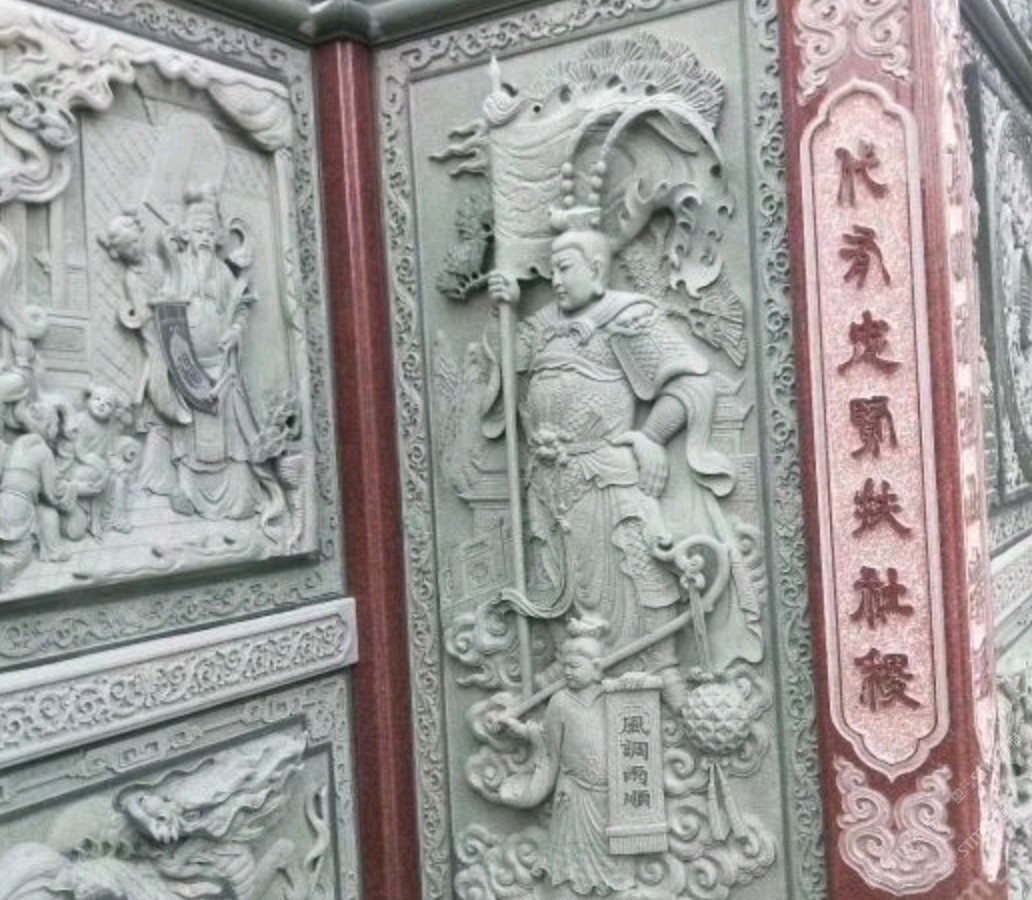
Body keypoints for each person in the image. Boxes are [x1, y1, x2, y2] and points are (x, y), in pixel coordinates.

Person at [487, 227, 760, 711]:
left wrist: (651, 436)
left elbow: (691, 382)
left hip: (605, 470)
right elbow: (505, 383)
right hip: (549, 479)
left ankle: (663, 667)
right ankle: (574, 662)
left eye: (565, 267)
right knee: (559, 574)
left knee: (637, 566)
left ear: (596, 268)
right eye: (551, 270)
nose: (555, 280)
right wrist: (501, 314)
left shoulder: (626, 317)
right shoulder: (540, 326)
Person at [495, 618, 634, 897]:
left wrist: (635, 687)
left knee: (611, 863)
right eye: (565, 666)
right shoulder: (560, 702)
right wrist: (520, 730)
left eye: (574, 666)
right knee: (571, 864)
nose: (567, 672)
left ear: (596, 667)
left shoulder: (613, 697)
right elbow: (548, 743)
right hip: (574, 796)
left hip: (608, 797)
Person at [151, 186, 266, 519]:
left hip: (221, 367)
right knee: (189, 435)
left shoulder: (224, 273)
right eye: (197, 231)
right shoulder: (177, 269)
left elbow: (240, 308)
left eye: (208, 232)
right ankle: (187, 492)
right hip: (187, 364)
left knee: (232, 432)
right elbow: (164, 308)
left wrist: (236, 330)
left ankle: (240, 497)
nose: (203, 238)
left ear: (217, 237)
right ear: (187, 234)